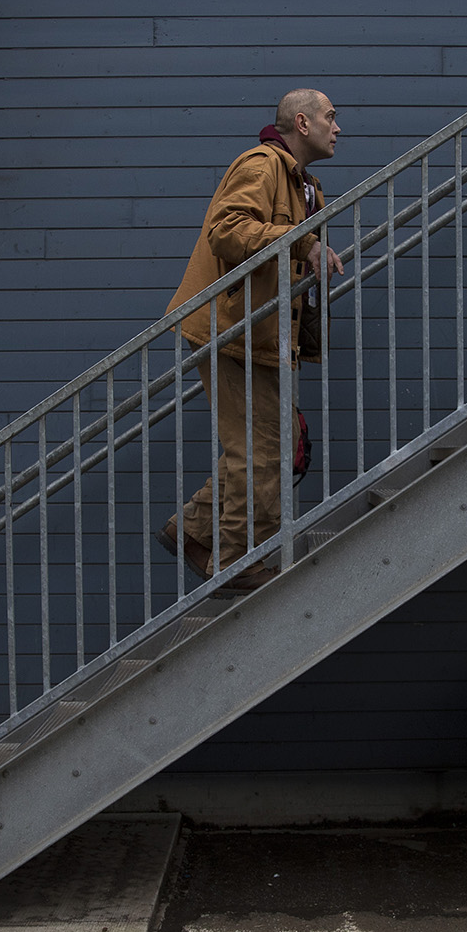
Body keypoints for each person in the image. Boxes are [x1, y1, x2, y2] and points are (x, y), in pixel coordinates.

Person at [157, 89, 344, 592]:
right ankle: (236, 560)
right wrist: (303, 243)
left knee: (273, 445)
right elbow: (226, 229)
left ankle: (195, 530)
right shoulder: (262, 165)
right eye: (331, 117)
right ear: (302, 123)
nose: (338, 127)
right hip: (230, 329)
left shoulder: (305, 185)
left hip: (261, 335)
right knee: (259, 450)